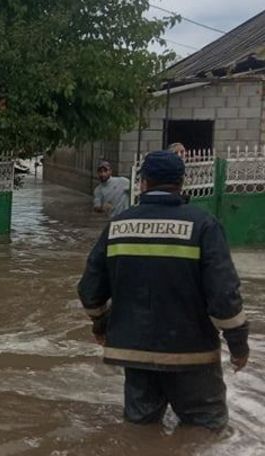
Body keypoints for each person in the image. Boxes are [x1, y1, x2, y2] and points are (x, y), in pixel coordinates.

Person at [78, 150, 249, 429]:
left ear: (143, 182)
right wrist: (238, 345)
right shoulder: (203, 225)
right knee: (205, 433)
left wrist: (101, 324)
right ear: (182, 182)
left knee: (140, 433)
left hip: (135, 354)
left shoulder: (118, 226)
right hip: (192, 355)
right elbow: (224, 296)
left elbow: (90, 289)